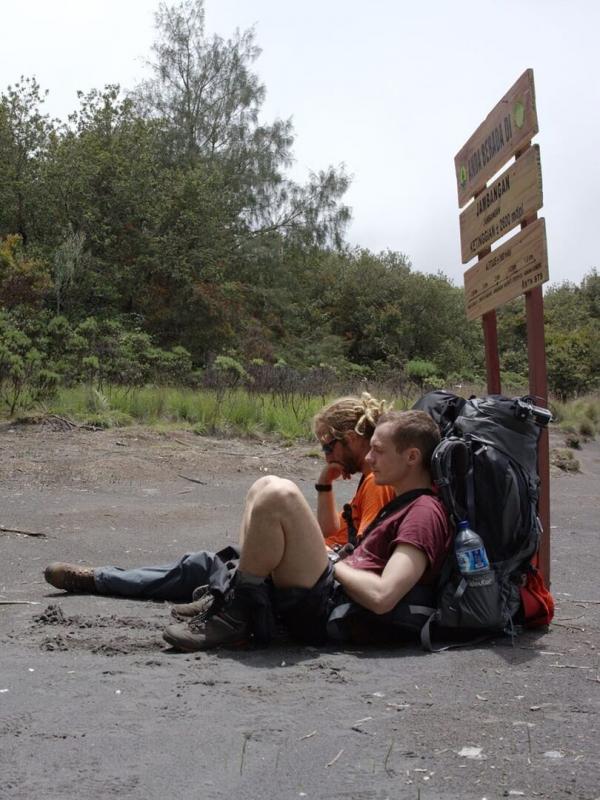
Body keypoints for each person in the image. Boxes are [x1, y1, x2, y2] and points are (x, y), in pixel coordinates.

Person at [43, 393, 395, 612]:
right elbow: (332, 532)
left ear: (350, 440)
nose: (326, 455)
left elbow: (361, 553)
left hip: (323, 580)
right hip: (318, 564)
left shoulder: (378, 484)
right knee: (206, 562)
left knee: (202, 566)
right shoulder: (368, 479)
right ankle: (103, 578)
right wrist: (324, 486)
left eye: (327, 447)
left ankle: (101, 579)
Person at [162, 409, 451, 651]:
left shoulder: (423, 514)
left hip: (332, 609)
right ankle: (236, 599)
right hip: (328, 593)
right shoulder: (402, 501)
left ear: (412, 457)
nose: (369, 459)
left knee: (280, 495)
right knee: (263, 486)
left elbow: (382, 597)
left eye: (378, 450)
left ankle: (236, 619)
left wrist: (333, 561)